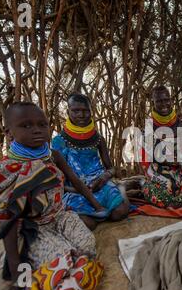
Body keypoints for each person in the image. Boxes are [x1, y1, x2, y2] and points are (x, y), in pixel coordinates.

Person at [0, 101, 103, 290]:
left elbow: (76, 182)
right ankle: (25, 261)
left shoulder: (53, 155)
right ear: (8, 133)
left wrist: (98, 206)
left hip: (60, 215)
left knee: (88, 246)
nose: (37, 130)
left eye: (42, 124)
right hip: (32, 227)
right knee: (66, 257)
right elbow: (8, 219)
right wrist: (16, 272)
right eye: (26, 125)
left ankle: (50, 257)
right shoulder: (7, 169)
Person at [52, 93, 130, 230]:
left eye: (85, 110)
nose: (81, 115)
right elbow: (57, 181)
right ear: (68, 111)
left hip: (101, 184)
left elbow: (111, 168)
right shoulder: (59, 142)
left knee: (120, 213)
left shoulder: (98, 138)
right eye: (76, 111)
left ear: (91, 111)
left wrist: (105, 177)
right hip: (74, 190)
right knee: (88, 223)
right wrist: (78, 189)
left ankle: (121, 188)